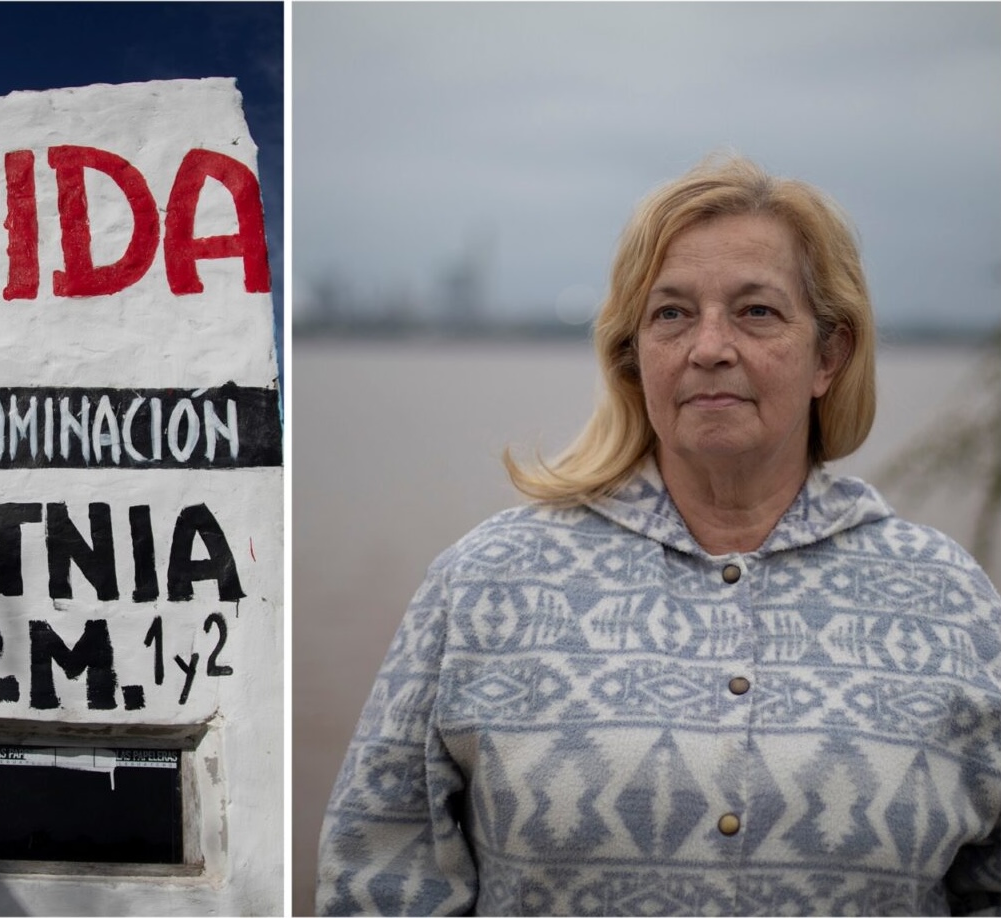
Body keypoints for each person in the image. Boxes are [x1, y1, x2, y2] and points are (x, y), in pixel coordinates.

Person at [316, 155, 1001, 917]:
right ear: (633, 355)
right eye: (672, 313)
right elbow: (380, 882)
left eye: (757, 312)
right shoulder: (485, 583)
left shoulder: (949, 599)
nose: (710, 347)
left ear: (829, 355)